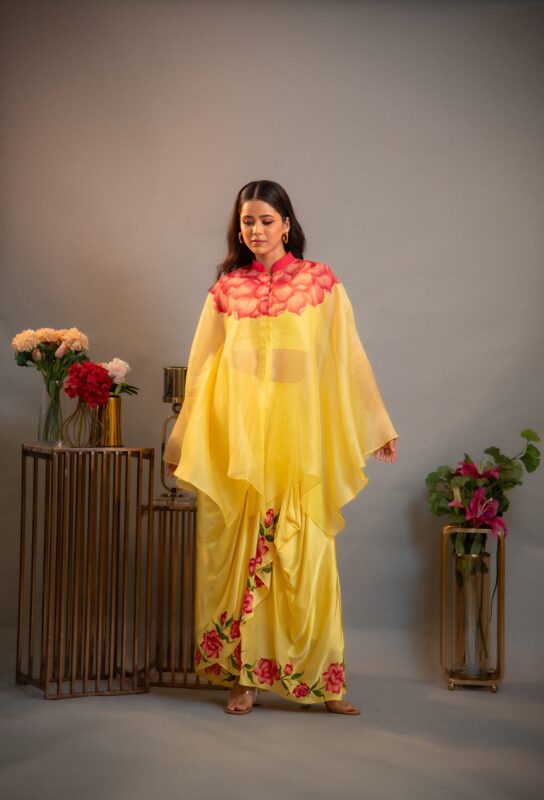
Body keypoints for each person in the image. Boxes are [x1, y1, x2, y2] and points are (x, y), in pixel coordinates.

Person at [164, 180, 398, 716]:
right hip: (241, 438)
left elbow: (348, 354)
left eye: (266, 220)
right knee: (240, 551)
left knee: (306, 557)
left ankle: (323, 683)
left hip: (299, 442)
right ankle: (244, 679)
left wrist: (377, 424)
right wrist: (181, 439)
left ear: (287, 224)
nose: (256, 230)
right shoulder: (227, 290)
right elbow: (202, 367)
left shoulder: (320, 284)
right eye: (247, 221)